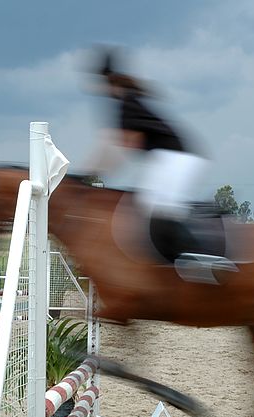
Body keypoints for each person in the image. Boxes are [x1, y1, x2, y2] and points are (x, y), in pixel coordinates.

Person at [84, 47, 230, 284]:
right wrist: (94, 171)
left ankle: (204, 261)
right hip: (166, 158)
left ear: (105, 81)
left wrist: (92, 173)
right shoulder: (127, 101)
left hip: (178, 157)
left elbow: (120, 148)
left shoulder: (126, 103)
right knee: (148, 207)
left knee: (161, 208)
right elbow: (118, 146)